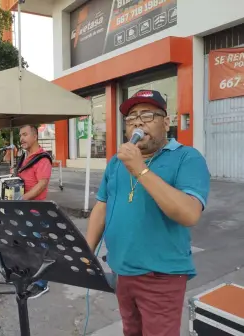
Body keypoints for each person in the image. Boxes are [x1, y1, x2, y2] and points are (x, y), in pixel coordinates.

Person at [86, 90, 210, 336]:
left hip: (161, 276)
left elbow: (189, 214)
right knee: (131, 331)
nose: (138, 122)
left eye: (147, 115)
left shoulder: (187, 157)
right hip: (121, 271)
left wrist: (140, 170)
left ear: (166, 122)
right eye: (131, 118)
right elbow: (102, 206)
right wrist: (86, 252)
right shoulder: (115, 162)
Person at [17, 125, 52, 299]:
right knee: (28, 247)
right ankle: (31, 276)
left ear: (35, 135)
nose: (21, 138)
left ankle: (42, 283)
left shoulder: (42, 158)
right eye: (20, 135)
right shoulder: (25, 157)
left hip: (36, 211)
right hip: (24, 211)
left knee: (39, 249)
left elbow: (42, 184)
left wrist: (23, 199)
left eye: (25, 134)